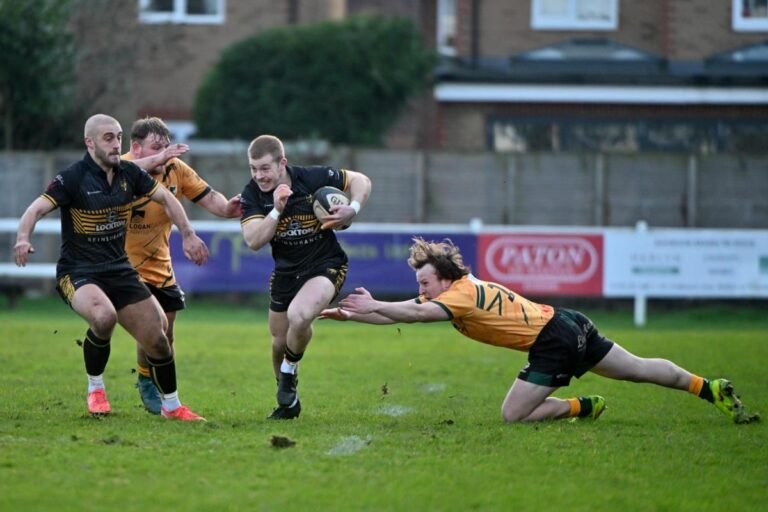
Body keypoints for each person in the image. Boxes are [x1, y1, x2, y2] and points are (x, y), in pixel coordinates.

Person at [321, 237, 760, 424]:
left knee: (513, 415)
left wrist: (373, 304)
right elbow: (404, 311)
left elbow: (410, 315)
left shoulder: (458, 296)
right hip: (569, 321)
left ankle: (581, 407)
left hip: (553, 340)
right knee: (639, 368)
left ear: (443, 277)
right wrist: (354, 315)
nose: (419, 290)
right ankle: (709, 387)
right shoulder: (460, 287)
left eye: (423, 282)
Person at [13, 114, 208, 421]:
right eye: (108, 138)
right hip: (78, 272)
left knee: (158, 336)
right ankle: (96, 388)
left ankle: (172, 407)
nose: (116, 144)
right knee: (104, 318)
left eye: (118, 137)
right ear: (89, 143)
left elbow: (167, 200)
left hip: (118, 270)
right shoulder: (72, 178)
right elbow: (36, 208)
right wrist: (23, 238)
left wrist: (187, 233)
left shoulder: (130, 174)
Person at [240, 134, 371, 419]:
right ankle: (288, 402)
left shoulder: (312, 178)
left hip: (325, 264)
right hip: (285, 272)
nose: (259, 175)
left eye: (264, 168)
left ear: (281, 163)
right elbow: (253, 240)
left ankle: (289, 372)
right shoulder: (252, 195)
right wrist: (276, 210)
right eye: (253, 168)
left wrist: (353, 208)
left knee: (300, 317)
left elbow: (361, 180)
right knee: (278, 343)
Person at [124, 116, 241, 415]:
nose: (165, 153)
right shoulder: (120, 169)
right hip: (122, 265)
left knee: (167, 333)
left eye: (167, 147)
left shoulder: (176, 169)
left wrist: (228, 208)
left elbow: (209, 196)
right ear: (136, 149)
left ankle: (154, 382)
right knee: (152, 324)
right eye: (156, 148)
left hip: (159, 264)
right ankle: (146, 380)